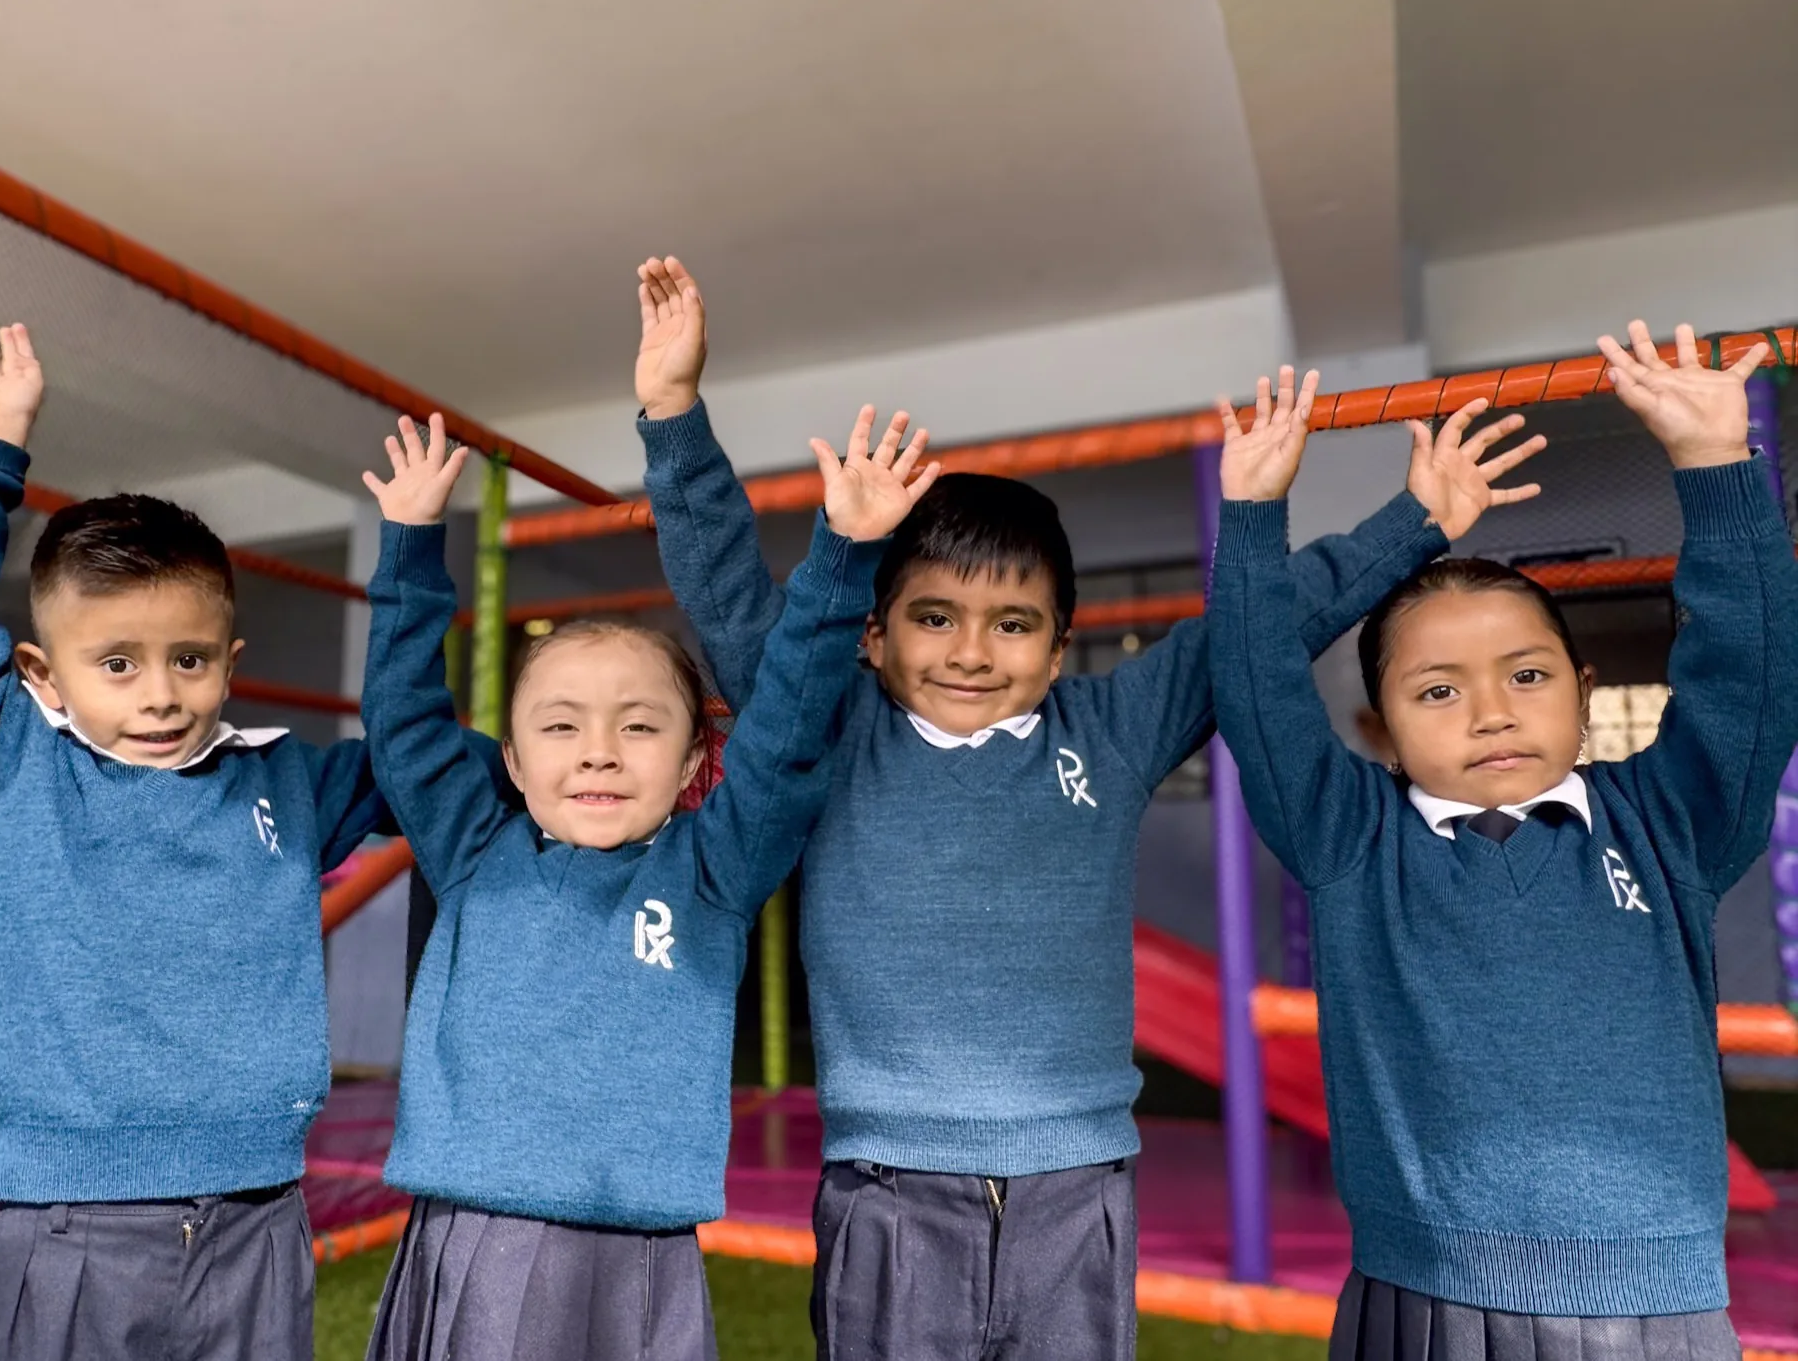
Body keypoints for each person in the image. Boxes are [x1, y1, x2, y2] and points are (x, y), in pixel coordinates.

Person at [627, 256, 1546, 1359]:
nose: (972, 651)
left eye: (1012, 624)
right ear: (871, 637)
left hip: (1079, 1186)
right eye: (933, 617)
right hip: (886, 1184)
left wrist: (1414, 519)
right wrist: (673, 413)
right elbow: (729, 589)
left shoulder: (1108, 733)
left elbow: (1252, 634)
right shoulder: (825, 728)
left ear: (1060, 647)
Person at [1207, 321, 1793, 1361]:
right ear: (1376, 729)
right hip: (1419, 1295)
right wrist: (1250, 516)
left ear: (1583, 692)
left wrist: (1713, 466)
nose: (1489, 711)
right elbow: (1251, 685)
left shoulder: (1668, 824)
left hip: (1655, 1304)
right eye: (1437, 690)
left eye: (1525, 675)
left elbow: (1746, 671)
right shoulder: (1351, 839)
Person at [355, 404, 934, 1361]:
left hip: (645, 1262)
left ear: (693, 756)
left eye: (637, 725)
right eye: (560, 725)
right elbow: (405, 721)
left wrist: (846, 551)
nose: (598, 753)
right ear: (511, 757)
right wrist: (412, 542)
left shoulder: (713, 870)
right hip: (474, 1241)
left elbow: (790, 723)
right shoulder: (471, 850)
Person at [0, 324, 395, 1361]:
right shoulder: (1, 764)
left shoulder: (284, 781)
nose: (159, 692)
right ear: (41, 672)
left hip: (255, 1214)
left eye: (188, 658)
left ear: (230, 662)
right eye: (116, 663)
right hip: (65, 1229)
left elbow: (427, 772)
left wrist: (581, 747)